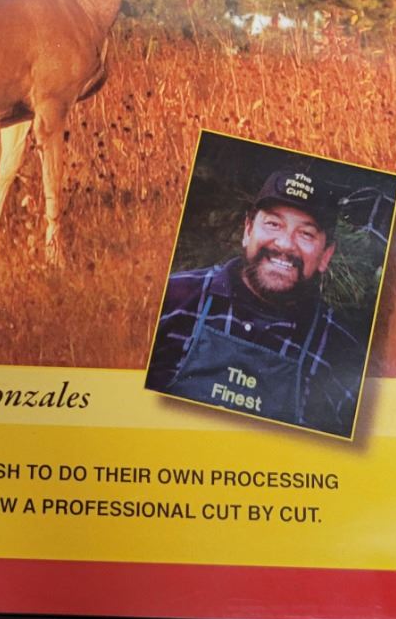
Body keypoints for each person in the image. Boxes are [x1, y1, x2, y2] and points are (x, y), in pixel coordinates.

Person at [144, 169, 366, 437]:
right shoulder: (172, 299)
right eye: (273, 224)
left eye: (306, 234)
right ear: (248, 229)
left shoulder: (342, 355)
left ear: (326, 255)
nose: (285, 244)